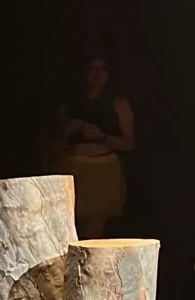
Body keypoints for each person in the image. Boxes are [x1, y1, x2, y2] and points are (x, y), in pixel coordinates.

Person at [49, 54, 135, 239]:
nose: (97, 75)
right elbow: (54, 144)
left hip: (101, 172)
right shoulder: (70, 104)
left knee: (91, 234)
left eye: (101, 70)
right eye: (92, 70)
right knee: (69, 231)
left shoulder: (118, 103)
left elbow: (129, 143)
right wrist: (67, 131)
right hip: (70, 169)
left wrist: (102, 136)